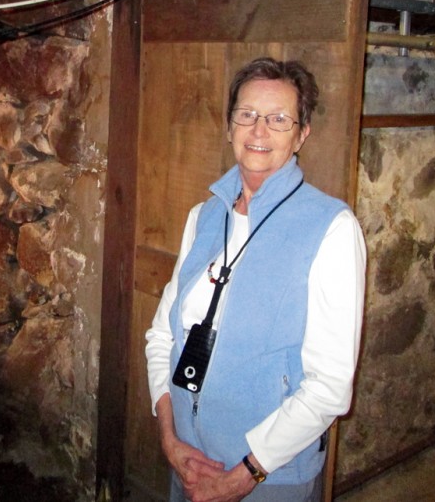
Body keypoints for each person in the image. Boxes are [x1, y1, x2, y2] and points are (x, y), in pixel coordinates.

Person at [145, 57, 366, 502]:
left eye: (279, 119)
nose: (259, 131)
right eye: (246, 115)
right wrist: (170, 439)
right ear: (229, 127)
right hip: (188, 463)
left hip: (268, 480)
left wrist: (241, 476)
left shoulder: (333, 228)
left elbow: (329, 386)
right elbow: (161, 336)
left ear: (303, 133)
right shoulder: (203, 217)